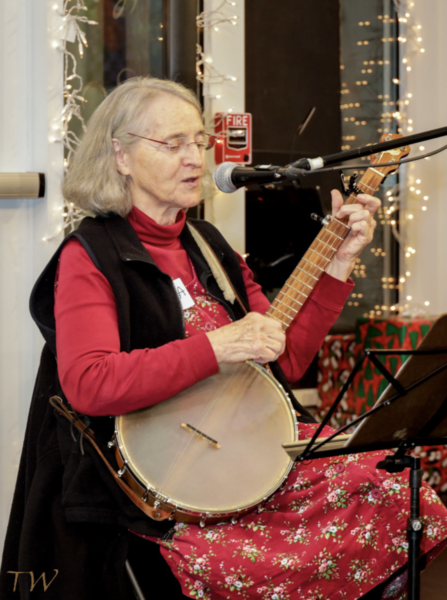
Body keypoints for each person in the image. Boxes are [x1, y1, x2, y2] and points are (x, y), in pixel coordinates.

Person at [2, 77, 447, 600]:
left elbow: (287, 361)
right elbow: (90, 384)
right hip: (159, 490)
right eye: (172, 144)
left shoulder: (208, 246)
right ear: (120, 155)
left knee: (394, 489)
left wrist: (340, 262)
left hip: (246, 460)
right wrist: (216, 346)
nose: (194, 158)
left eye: (198, 141)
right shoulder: (90, 256)